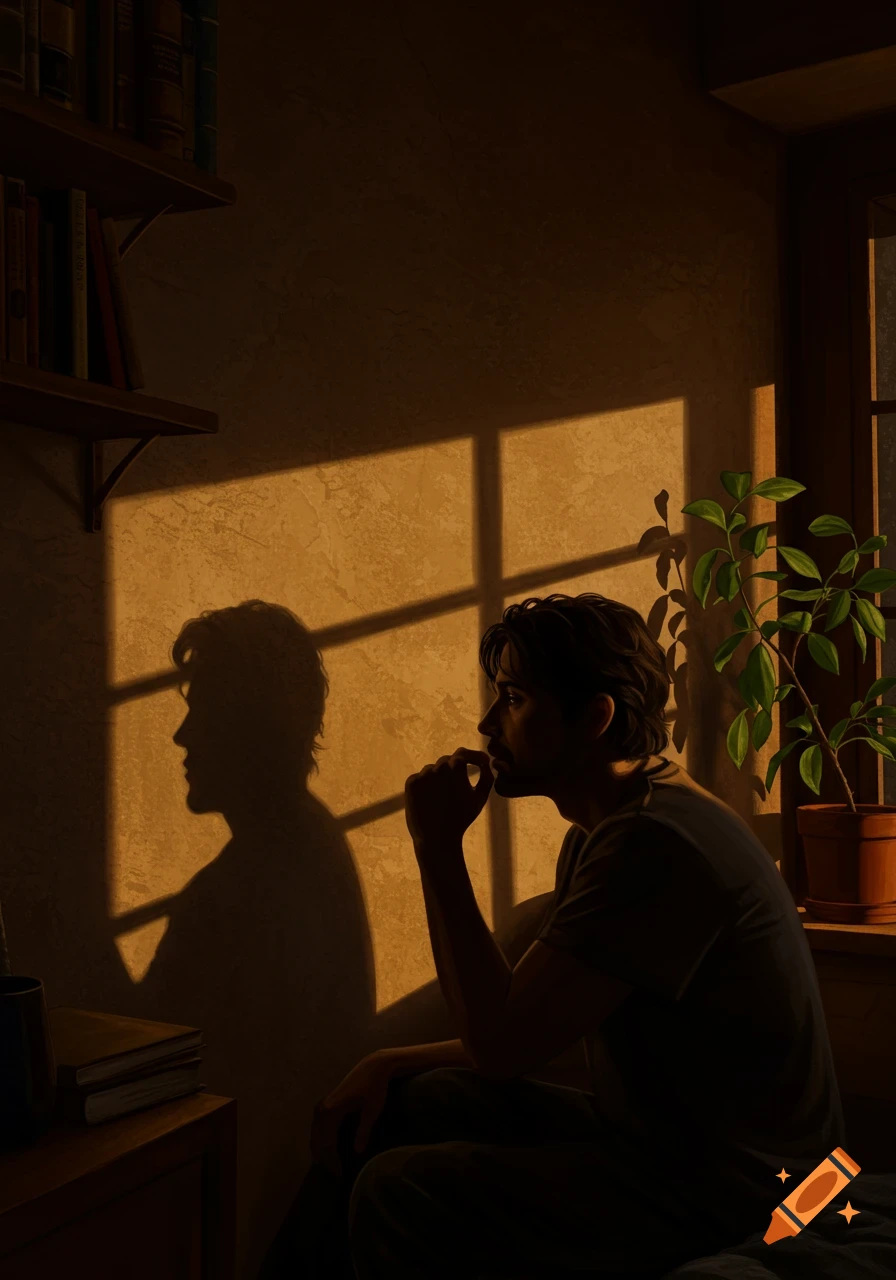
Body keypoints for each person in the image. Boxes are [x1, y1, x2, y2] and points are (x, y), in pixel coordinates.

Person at [261, 592, 844, 1280]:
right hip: (674, 1151)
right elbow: (534, 1028)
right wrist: (391, 1060)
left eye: (512, 698)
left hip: (761, 1197)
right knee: (408, 1104)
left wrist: (438, 852)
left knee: (400, 1189)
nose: (486, 723)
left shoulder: (654, 845)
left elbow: (502, 1044)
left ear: (593, 717)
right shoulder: (619, 824)